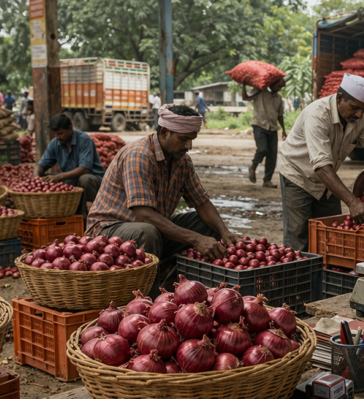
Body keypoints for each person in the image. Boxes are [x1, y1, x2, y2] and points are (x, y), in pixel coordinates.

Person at [86, 104, 240, 288]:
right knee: (147, 231)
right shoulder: (139, 155)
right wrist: (195, 239)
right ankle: (149, 298)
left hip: (149, 233)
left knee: (206, 224)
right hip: (108, 233)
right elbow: (143, 215)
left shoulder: (182, 162)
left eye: (192, 139)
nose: (189, 146)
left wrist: (224, 230)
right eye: (184, 139)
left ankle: (177, 286)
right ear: (165, 132)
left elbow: (202, 202)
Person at [277, 74, 364, 252]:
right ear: (340, 98)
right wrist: (352, 201)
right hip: (298, 175)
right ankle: (297, 275)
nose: (359, 114)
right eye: (355, 108)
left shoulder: (361, 117)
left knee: (331, 234)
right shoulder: (317, 116)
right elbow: (322, 166)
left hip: (326, 179)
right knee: (298, 237)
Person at [34, 113, 105, 219]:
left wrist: (59, 177)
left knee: (85, 179)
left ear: (70, 128)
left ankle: (86, 215)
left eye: (61, 133)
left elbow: (84, 169)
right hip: (71, 179)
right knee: (47, 178)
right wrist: (36, 179)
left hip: (93, 179)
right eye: (55, 134)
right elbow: (40, 165)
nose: (57, 137)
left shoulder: (84, 140)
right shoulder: (55, 143)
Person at [242, 78, 287, 188]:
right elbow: (245, 97)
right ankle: (253, 166)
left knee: (272, 155)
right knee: (262, 149)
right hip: (259, 125)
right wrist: (243, 86)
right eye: (278, 86)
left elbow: (280, 115)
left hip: (273, 128)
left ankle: (267, 180)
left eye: (281, 87)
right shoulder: (260, 92)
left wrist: (284, 129)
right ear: (272, 84)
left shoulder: (278, 98)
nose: (279, 89)